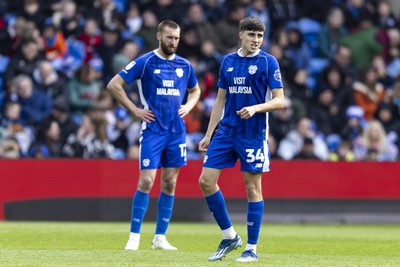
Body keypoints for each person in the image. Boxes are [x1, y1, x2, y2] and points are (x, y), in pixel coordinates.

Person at [107, 20, 201, 251]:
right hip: (153, 131)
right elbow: (114, 84)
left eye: (177, 38)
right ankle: (134, 237)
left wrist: (189, 106)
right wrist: (136, 110)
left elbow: (196, 90)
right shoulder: (145, 61)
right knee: (146, 181)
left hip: (176, 131)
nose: (173, 42)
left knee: (169, 183)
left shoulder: (185, 65)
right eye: (169, 37)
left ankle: (160, 237)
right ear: (159, 36)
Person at [198, 17, 285, 262]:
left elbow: (280, 100)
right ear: (241, 35)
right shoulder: (227, 61)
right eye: (251, 35)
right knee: (206, 181)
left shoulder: (269, 62)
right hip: (226, 131)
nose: (256, 40)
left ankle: (252, 249)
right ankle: (229, 237)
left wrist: (256, 108)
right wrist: (208, 133)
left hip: (253, 134)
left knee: (252, 188)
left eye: (259, 36)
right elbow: (220, 100)